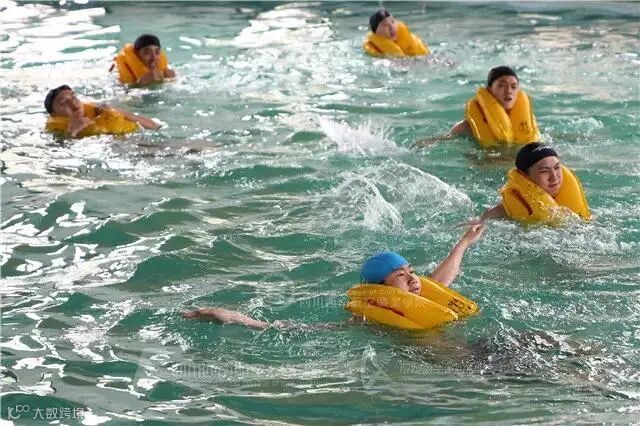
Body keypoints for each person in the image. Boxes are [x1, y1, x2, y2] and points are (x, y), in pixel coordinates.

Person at [183, 223, 485, 329]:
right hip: (442, 363)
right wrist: (235, 317)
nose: (412, 278)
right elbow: (298, 329)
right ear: (381, 288)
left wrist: (464, 242)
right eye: (400, 275)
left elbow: (442, 277)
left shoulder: (423, 295)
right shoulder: (367, 319)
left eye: (411, 271)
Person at [479, 142, 590, 224]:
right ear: (524, 175)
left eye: (557, 168)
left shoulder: (573, 206)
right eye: (544, 171)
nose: (554, 177)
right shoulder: (500, 213)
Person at [449, 66, 540, 148]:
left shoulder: (529, 123)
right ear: (489, 90)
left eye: (513, 86)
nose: (508, 91)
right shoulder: (466, 127)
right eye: (502, 86)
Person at [44, 85, 161, 138]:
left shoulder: (100, 111)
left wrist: (113, 111)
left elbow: (154, 126)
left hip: (135, 140)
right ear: (54, 114)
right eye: (64, 103)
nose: (73, 103)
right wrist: (72, 133)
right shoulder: (57, 132)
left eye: (74, 97)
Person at [363, 9, 430, 57]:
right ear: (375, 31)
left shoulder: (411, 39)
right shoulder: (373, 47)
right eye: (385, 24)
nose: (391, 27)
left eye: (392, 22)